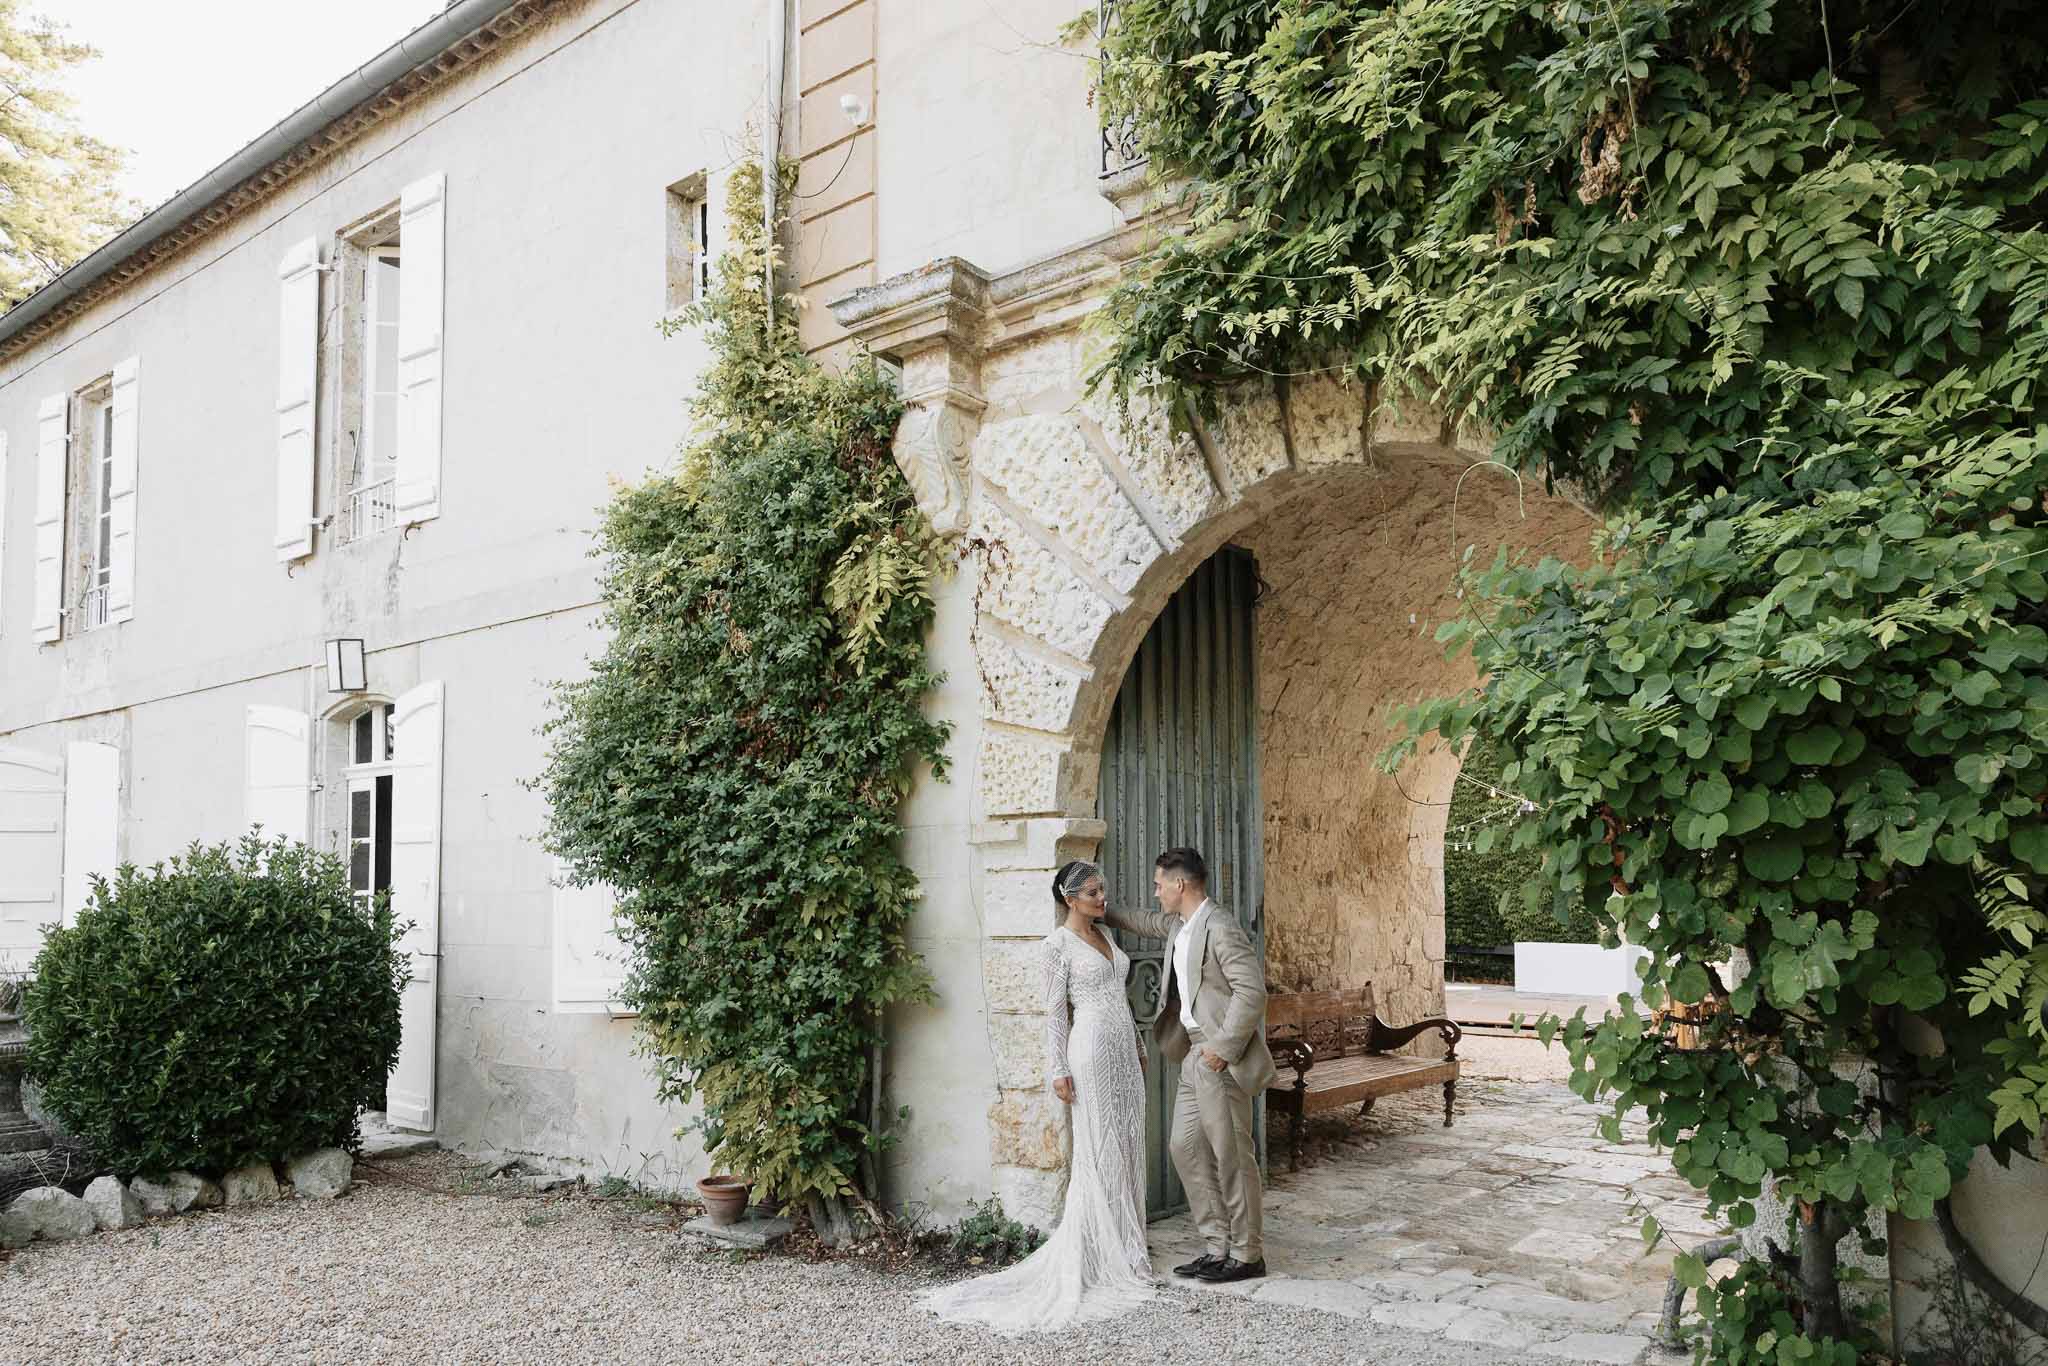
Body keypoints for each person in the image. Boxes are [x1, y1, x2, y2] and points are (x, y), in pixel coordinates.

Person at [921, 859, 1155, 1332]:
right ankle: (1096, 1247)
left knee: (1128, 1141)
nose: (1102, 898)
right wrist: (1058, 1069)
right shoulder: (1057, 945)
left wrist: (1138, 1042)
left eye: (1102, 889)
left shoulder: (1105, 936)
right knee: (1098, 1146)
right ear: (1070, 898)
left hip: (1123, 1052)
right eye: (1093, 892)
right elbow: (1053, 1012)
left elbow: (1118, 996)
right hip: (1088, 1050)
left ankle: (1129, 1244)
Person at [1102, 846, 1275, 1283]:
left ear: (1180, 885)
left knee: (1232, 1154)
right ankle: (1217, 1246)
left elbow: (1251, 992)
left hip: (1217, 1055)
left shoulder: (1220, 928)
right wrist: (1100, 911)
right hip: (1192, 1054)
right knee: (1185, 1146)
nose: (1156, 891)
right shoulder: (1181, 924)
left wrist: (1223, 1047)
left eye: (1159, 884)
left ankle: (1247, 1252)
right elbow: (1144, 920)